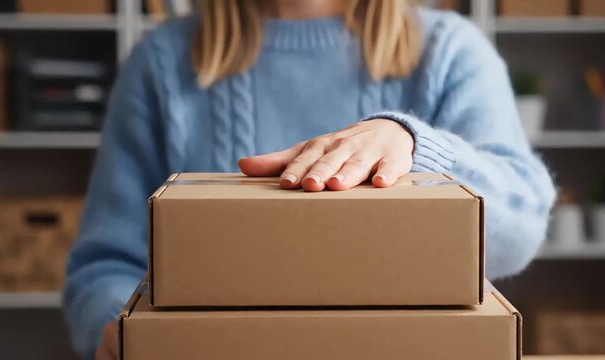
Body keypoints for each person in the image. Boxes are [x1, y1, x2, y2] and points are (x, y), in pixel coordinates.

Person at [63, 0, 556, 358]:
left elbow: (521, 226)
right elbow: (106, 263)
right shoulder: (163, 61)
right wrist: (118, 329)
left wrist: (415, 147)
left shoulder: (449, 52)